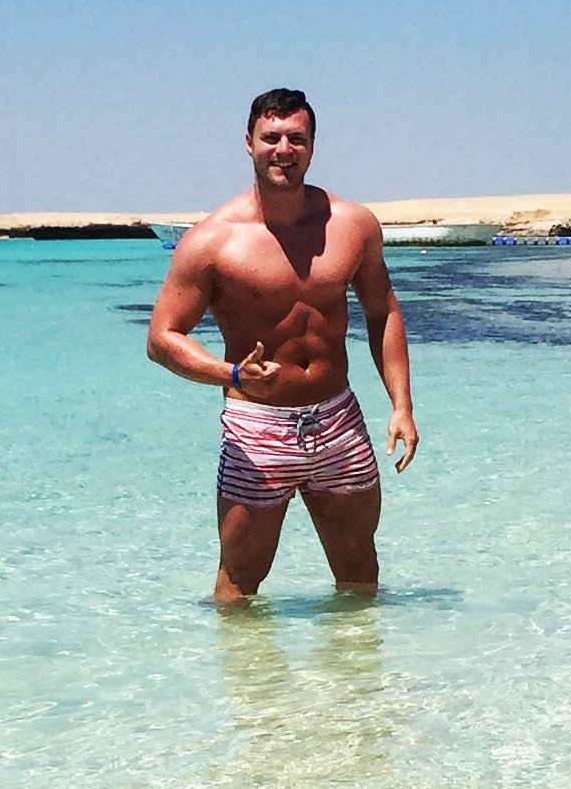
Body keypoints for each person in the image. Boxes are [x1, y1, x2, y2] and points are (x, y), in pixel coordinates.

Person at [147, 88, 418, 603]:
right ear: (248, 143)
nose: (284, 150)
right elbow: (162, 338)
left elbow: (383, 311)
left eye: (297, 138)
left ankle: (356, 661)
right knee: (239, 584)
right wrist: (231, 375)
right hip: (258, 427)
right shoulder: (211, 241)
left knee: (360, 572)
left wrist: (401, 406)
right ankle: (245, 663)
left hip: (339, 420)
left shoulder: (352, 225)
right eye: (271, 138)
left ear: (313, 145)